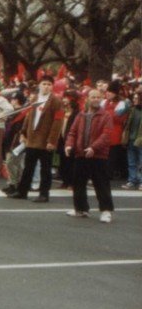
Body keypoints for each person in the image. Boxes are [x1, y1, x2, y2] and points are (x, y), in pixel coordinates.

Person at [9, 75, 64, 202]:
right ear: (39, 85)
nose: (46, 86)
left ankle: (44, 194)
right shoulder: (35, 98)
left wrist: (52, 140)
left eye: (49, 84)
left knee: (45, 169)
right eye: (44, 84)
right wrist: (23, 132)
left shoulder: (56, 101)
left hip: (46, 141)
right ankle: (22, 191)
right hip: (32, 140)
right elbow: (28, 117)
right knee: (28, 167)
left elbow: (58, 121)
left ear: (52, 87)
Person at [64, 89, 114, 222]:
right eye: (93, 97)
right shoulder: (81, 115)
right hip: (81, 154)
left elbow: (106, 135)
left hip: (98, 156)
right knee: (78, 182)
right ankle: (80, 209)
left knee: (101, 183)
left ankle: (106, 211)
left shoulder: (106, 116)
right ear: (88, 99)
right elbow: (72, 132)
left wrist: (93, 147)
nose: (96, 99)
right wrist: (69, 145)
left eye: (98, 97)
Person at [121, 90, 142, 190]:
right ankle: (132, 180)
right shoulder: (132, 110)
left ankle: (141, 182)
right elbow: (119, 113)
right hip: (130, 139)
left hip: (140, 140)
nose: (134, 100)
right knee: (131, 162)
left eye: (136, 98)